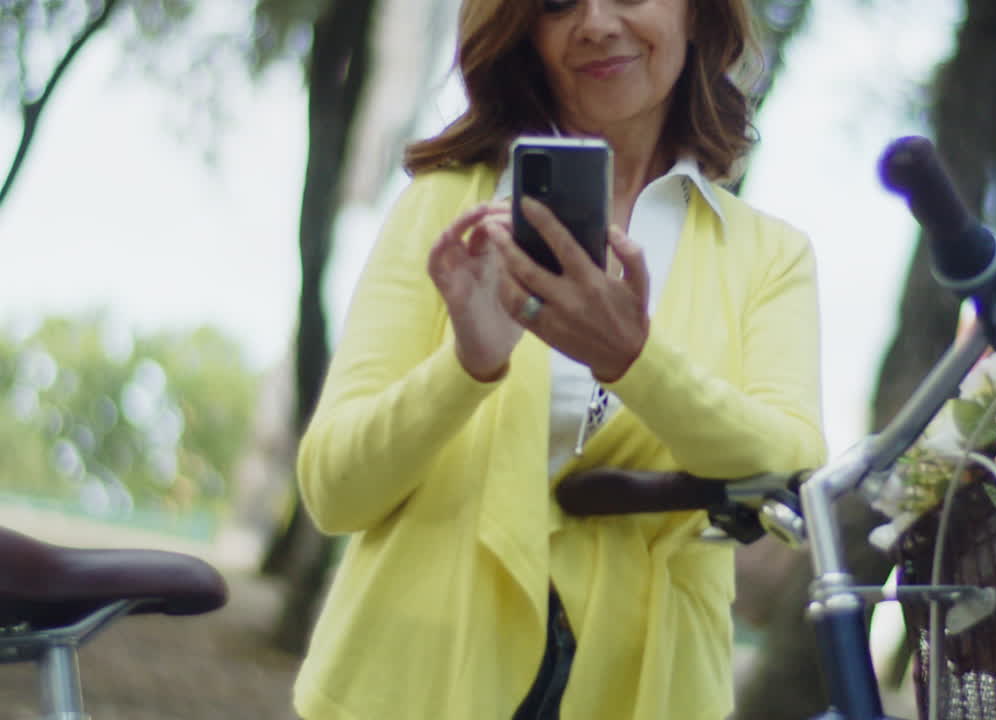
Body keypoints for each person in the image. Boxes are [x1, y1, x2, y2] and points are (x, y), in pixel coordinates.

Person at [290, 0, 826, 715]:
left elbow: (793, 460)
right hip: (418, 681)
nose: (597, 22)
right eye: (555, 3)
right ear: (524, 33)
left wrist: (634, 359)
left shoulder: (770, 256)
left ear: (698, 15)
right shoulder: (445, 205)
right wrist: (466, 367)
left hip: (649, 687)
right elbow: (334, 491)